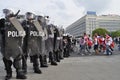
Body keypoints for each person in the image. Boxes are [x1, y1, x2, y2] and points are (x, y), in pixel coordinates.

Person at [0, 9, 26, 79]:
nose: (6, 14)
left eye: (7, 12)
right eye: (5, 13)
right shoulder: (2, 21)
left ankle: (19, 73)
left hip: (15, 43)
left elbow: (23, 33)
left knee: (18, 58)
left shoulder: (16, 21)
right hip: (5, 44)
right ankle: (9, 74)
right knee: (6, 59)